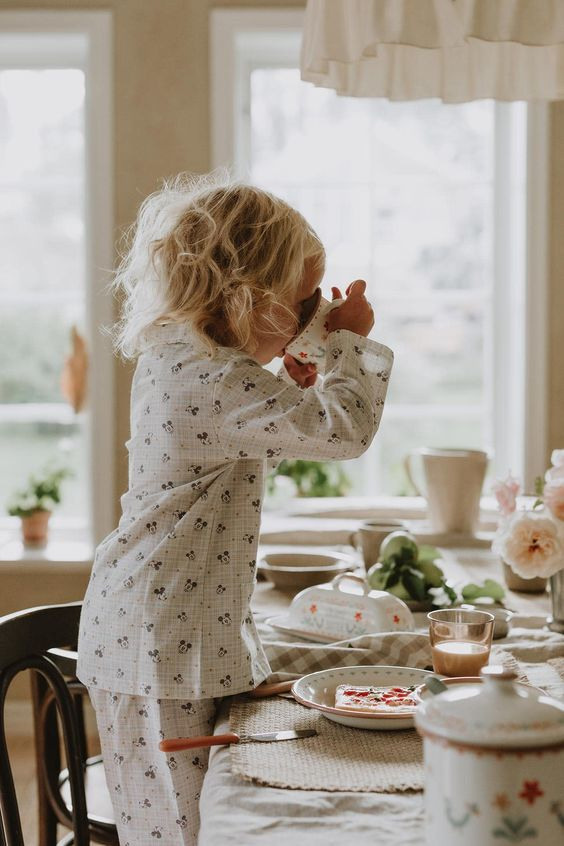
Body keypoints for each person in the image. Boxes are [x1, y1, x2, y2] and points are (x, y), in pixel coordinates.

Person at [77, 172, 393, 845]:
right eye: (303, 300)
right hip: (159, 636)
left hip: (159, 621)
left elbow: (232, 456)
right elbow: (344, 431)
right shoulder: (213, 378)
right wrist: (349, 344)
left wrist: (293, 369)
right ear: (250, 295)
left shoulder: (186, 360)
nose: (313, 315)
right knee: (179, 827)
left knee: (186, 810)